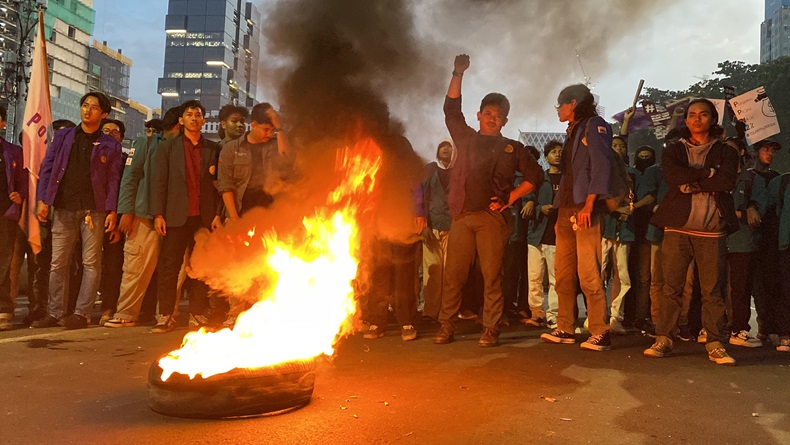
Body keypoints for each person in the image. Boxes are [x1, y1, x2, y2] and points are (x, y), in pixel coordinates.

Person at [433, 54, 543, 348]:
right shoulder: (466, 138)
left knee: (492, 276)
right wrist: (457, 73)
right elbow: (450, 110)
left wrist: (511, 198)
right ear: (479, 115)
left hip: (492, 219)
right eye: (489, 113)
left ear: (505, 121)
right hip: (462, 217)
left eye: (499, 116)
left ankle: (490, 328)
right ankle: (446, 325)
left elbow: (536, 175)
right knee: (454, 275)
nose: (493, 119)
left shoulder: (513, 148)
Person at [644, 98, 739, 365]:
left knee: (713, 289)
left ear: (713, 119)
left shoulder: (727, 151)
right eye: (692, 115)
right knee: (670, 287)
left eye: (704, 114)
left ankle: (715, 342)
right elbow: (673, 177)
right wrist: (707, 173)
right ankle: (664, 337)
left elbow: (726, 180)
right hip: (677, 227)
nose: (697, 119)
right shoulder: (674, 149)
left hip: (712, 230)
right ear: (685, 120)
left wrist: (694, 178)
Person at [32, 92, 123, 329]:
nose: (87, 110)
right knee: (57, 262)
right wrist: (43, 199)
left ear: (103, 114)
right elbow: (47, 169)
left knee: (91, 263)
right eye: (85, 105)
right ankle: (54, 312)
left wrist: (112, 210)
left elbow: (114, 180)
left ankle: (82, 313)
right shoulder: (63, 136)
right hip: (63, 206)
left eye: (94, 107)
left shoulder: (110, 144)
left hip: (94, 210)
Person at [540, 84, 612, 351]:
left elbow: (601, 164)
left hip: (584, 207)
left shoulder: (595, 125)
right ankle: (565, 327)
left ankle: (600, 330)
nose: (558, 110)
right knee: (563, 272)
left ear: (572, 103)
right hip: (566, 208)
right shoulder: (572, 131)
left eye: (560, 105)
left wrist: (590, 205)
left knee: (589, 273)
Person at [149, 100, 223, 333]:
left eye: (198, 114)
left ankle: (197, 314)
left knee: (200, 267)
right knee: (169, 266)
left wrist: (218, 215)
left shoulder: (213, 149)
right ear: (181, 120)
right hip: (175, 215)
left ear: (203, 120)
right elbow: (158, 182)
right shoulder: (167, 148)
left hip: (204, 216)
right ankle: (165, 315)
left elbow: (219, 185)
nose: (193, 118)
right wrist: (158, 213)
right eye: (189, 114)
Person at [104, 107, 182, 328]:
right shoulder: (146, 143)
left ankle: (166, 314)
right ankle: (126, 313)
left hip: (177, 217)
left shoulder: (188, 146)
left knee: (174, 270)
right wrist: (126, 212)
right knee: (135, 266)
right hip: (143, 214)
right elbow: (130, 178)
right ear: (178, 122)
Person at [216, 102, 291, 327]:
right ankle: (236, 311)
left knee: (267, 265)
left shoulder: (274, 144)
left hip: (271, 217)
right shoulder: (231, 149)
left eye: (272, 130)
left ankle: (264, 312)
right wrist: (235, 218)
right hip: (240, 213)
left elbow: (287, 158)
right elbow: (226, 186)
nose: (269, 134)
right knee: (238, 265)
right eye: (265, 129)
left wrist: (279, 129)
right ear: (253, 125)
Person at [725, 140, 764, 348]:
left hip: (742, 240)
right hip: (718, 239)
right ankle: (711, 328)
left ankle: (739, 329)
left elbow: (759, 211)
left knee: (741, 288)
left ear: (741, 152)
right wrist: (740, 212)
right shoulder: (717, 176)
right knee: (713, 287)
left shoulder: (751, 179)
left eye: (732, 148)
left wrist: (749, 209)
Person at [600, 135, 638, 335]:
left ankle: (616, 316)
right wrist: (614, 211)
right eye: (613, 145)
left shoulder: (632, 174)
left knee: (622, 276)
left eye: (621, 146)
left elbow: (637, 199)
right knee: (599, 273)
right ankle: (596, 315)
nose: (617, 149)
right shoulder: (603, 172)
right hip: (605, 228)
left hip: (625, 230)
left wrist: (629, 209)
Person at [523, 140, 563, 328]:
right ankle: (537, 312)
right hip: (537, 234)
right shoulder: (540, 179)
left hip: (557, 236)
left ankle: (553, 314)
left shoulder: (567, 180)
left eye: (560, 151)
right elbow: (527, 197)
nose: (558, 154)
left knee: (556, 279)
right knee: (534, 276)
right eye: (553, 152)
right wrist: (539, 208)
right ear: (546, 157)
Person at [749, 139, 781, 342]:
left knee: (771, 283)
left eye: (773, 151)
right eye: (766, 149)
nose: (770, 154)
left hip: (772, 237)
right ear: (755, 152)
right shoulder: (747, 177)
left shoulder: (778, 178)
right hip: (749, 236)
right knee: (750, 284)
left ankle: (770, 326)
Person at [421, 140, 455, 321]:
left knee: (450, 272)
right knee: (432, 270)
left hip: (453, 227)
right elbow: (422, 197)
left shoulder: (459, 171)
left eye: (449, 146)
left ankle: (447, 310)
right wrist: (424, 225)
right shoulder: (430, 170)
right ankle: (430, 310)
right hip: (432, 226)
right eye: (442, 146)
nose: (446, 149)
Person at [97, 119, 127, 325]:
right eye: (105, 130)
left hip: (114, 219)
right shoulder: (92, 159)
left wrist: (118, 218)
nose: (110, 134)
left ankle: (109, 306)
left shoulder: (127, 160)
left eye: (115, 132)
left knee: (113, 265)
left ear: (121, 138)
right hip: (91, 215)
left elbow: (124, 190)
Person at [0, 106, 27, 331]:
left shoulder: (13, 152)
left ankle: (4, 309)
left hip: (4, 215)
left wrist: (20, 195)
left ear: (2, 123)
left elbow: (23, 182)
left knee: (3, 264)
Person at [766, 167, 790, 352]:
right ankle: (785, 334)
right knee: (785, 289)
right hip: (786, 245)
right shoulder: (781, 183)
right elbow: (768, 209)